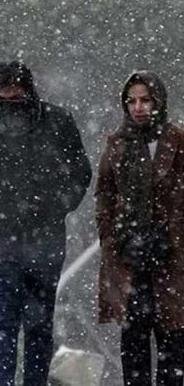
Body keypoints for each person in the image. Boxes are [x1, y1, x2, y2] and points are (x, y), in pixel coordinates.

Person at [0, 61, 91, 386]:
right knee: (5, 323)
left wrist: (53, 207)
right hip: (0, 238)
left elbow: (79, 173)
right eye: (2, 98)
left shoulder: (56, 122)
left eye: (15, 98)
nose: (8, 106)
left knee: (34, 326)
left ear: (28, 91)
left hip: (42, 238)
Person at [95, 72, 184, 386]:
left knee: (172, 343)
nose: (138, 107)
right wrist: (115, 238)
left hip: (172, 261)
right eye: (131, 100)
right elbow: (104, 195)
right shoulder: (117, 144)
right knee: (133, 344)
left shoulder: (177, 140)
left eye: (145, 100)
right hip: (128, 259)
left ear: (158, 101)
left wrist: (169, 237)